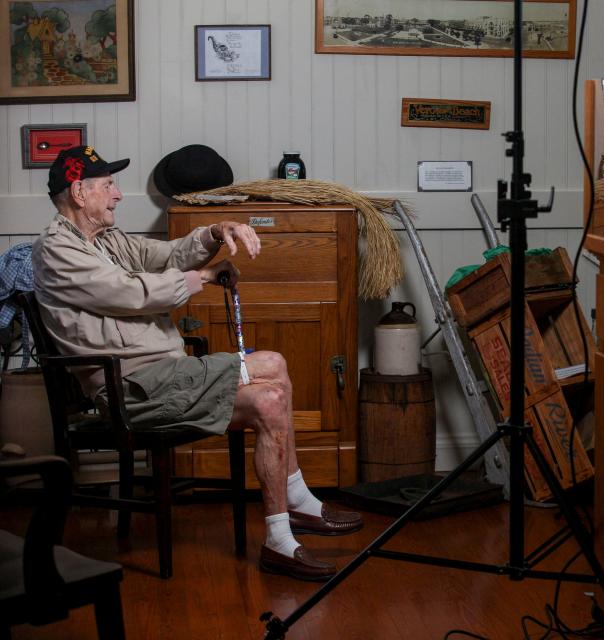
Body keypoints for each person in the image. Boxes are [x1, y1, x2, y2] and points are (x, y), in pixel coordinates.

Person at [32, 145, 363, 582]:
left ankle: (292, 510)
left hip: (164, 378)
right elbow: (132, 292)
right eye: (108, 185)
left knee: (274, 368)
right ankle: (284, 532)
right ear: (79, 192)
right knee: (269, 397)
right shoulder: (56, 250)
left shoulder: (107, 240)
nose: (117, 195)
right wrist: (204, 277)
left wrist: (214, 231)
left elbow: (166, 257)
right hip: (134, 391)